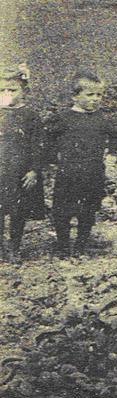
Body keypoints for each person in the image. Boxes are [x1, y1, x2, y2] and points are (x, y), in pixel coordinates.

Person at [45, 72, 117, 257]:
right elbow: (47, 137)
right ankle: (63, 246)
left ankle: (81, 245)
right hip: (68, 173)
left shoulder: (103, 119)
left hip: (93, 172)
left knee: (88, 211)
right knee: (62, 212)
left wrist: (109, 148)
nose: (95, 99)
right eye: (90, 95)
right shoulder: (63, 118)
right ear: (75, 96)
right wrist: (54, 157)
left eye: (99, 95)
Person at [0, 64, 45, 262]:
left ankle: (15, 246)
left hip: (19, 172)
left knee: (18, 212)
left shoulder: (30, 116)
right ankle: (1, 246)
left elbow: (38, 145)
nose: (7, 93)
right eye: (2, 90)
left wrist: (34, 170)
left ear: (24, 91)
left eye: (12, 90)